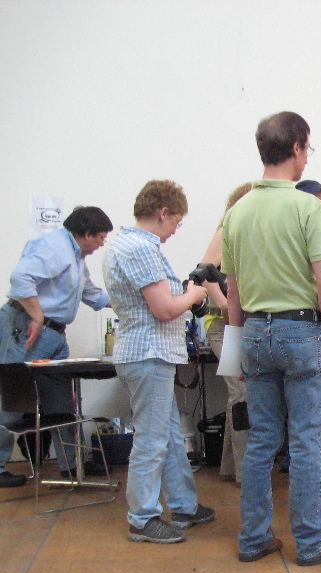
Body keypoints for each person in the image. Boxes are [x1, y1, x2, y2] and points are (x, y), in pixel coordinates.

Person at [222, 111, 321, 567]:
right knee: (304, 442)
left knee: (261, 440)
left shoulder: (237, 212)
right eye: (307, 148)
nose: (307, 157)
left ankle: (254, 538)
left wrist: (236, 349)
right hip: (302, 331)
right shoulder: (308, 208)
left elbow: (234, 292)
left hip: (254, 333)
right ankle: (311, 543)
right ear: (297, 146)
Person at [102, 180, 215, 544]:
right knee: (151, 441)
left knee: (167, 435)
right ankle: (142, 518)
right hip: (148, 354)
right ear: (163, 213)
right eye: (176, 222)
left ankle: (183, 505)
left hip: (145, 353)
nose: (174, 231)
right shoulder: (140, 248)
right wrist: (194, 294)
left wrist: (185, 294)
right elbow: (165, 309)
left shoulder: (124, 243)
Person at [0, 206, 114, 488]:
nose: (102, 244)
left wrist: (132, 304)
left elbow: (91, 294)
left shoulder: (76, 257)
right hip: (27, 329)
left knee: (61, 403)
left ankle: (71, 465)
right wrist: (38, 316)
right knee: (11, 401)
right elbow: (20, 279)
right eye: (101, 237)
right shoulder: (54, 247)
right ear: (86, 233)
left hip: (55, 336)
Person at [198, 182, 252, 485]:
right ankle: (245, 472)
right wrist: (224, 304)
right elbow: (204, 272)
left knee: (239, 395)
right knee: (241, 393)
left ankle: (232, 466)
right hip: (224, 326)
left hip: (239, 323)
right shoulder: (225, 231)